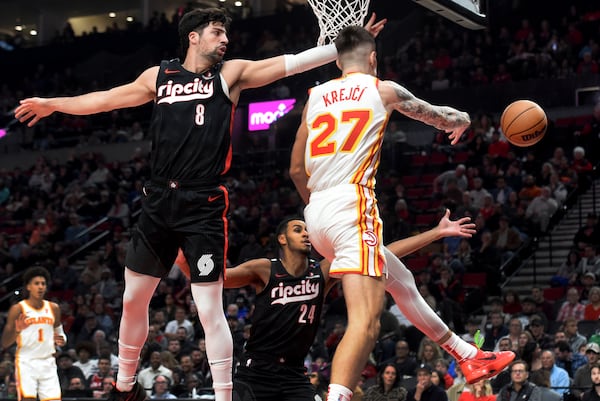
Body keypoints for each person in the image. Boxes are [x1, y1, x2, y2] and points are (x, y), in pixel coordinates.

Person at [13, 8, 386, 401]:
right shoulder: (159, 76)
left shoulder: (231, 74)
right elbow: (105, 99)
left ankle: (224, 396)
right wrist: (54, 103)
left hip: (203, 203)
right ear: (193, 36)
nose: (224, 40)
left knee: (209, 307)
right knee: (131, 298)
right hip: (158, 199)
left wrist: (345, 45)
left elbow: (289, 65)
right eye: (217, 32)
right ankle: (124, 386)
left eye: (225, 33)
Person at [289, 25, 514, 401]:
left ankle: (468, 355)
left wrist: (318, 206)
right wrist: (463, 118)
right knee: (365, 322)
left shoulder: (314, 97)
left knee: (402, 280)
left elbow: (297, 170)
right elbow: (442, 116)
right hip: (351, 205)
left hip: (317, 211)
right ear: (373, 59)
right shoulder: (383, 89)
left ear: (338, 59)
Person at [177, 212, 478, 401]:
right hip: (257, 372)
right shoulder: (264, 269)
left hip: (294, 373)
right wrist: (184, 260)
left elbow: (380, 253)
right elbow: (220, 278)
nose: (306, 233)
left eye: (306, 229)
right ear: (281, 238)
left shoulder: (321, 271)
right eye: (298, 229)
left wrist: (436, 234)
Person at [1, 266, 67, 401]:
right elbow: (5, 343)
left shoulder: (54, 308)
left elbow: (61, 335)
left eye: (43, 284)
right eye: (36, 283)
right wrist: (17, 330)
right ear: (28, 287)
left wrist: (62, 340)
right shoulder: (18, 309)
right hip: (26, 361)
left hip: (48, 361)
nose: (41, 287)